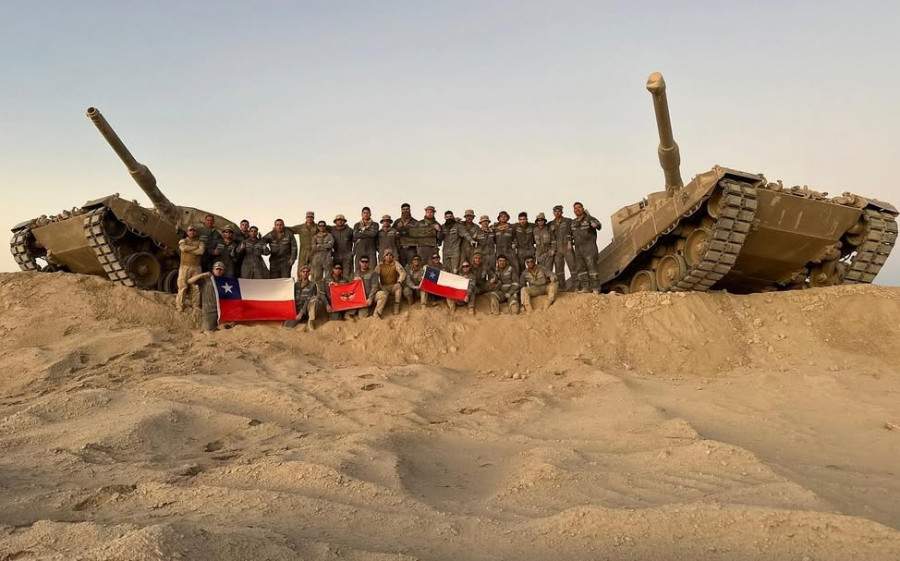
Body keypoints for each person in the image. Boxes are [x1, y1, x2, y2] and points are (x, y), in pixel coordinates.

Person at [571, 202, 603, 294]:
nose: (577, 209)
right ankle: (586, 288)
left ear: (582, 208)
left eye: (579, 207)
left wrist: (595, 225)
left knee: (592, 268)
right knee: (581, 269)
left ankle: (596, 288)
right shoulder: (573, 222)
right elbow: (570, 234)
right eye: (575, 208)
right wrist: (569, 242)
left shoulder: (589, 218)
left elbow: (599, 226)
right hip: (578, 249)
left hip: (589, 247)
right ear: (574, 210)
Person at [187, 261, 227, 331]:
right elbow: (190, 281)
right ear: (213, 270)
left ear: (224, 271)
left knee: (225, 328)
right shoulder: (205, 279)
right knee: (209, 330)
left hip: (222, 310)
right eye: (217, 269)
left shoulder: (226, 281)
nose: (218, 271)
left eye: (221, 269)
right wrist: (202, 274)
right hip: (209, 310)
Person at [284, 265, 323, 330]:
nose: (305, 273)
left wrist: (301, 313)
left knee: (314, 301)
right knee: (286, 325)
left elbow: (308, 300)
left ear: (309, 273)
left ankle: (310, 322)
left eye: (307, 272)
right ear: (300, 273)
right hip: (296, 309)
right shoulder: (296, 285)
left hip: (306, 310)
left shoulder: (312, 285)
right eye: (303, 271)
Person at [176, 226, 205, 311]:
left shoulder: (200, 243)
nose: (192, 232)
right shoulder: (183, 241)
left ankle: (196, 305)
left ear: (196, 232)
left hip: (196, 267)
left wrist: (189, 249)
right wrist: (195, 248)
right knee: (182, 286)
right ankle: (180, 306)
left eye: (194, 230)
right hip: (184, 266)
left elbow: (201, 251)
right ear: (187, 232)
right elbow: (183, 248)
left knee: (196, 287)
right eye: (190, 230)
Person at [549, 204, 577, 291]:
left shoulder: (568, 221)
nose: (557, 213)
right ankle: (561, 287)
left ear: (562, 212)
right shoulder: (550, 224)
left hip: (567, 246)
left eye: (559, 211)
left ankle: (577, 286)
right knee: (559, 269)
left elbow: (572, 231)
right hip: (557, 249)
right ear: (553, 213)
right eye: (555, 211)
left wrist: (570, 242)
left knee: (573, 266)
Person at [376, 249, 406, 315]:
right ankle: (378, 312)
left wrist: (399, 282)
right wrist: (379, 286)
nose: (389, 257)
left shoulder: (395, 263)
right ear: (384, 257)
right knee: (382, 295)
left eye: (390, 255)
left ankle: (396, 308)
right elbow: (374, 277)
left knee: (399, 288)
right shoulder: (380, 265)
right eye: (387, 255)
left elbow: (402, 273)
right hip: (384, 287)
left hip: (393, 286)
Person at [353, 206, 379, 272]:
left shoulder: (375, 224)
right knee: (358, 270)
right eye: (364, 213)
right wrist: (368, 233)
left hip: (371, 249)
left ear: (370, 214)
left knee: (372, 269)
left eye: (367, 213)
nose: (366, 214)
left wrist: (363, 231)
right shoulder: (357, 225)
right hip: (359, 249)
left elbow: (373, 234)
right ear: (361, 214)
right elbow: (356, 235)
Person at [310, 220, 335, 290]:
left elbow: (330, 245)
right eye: (320, 226)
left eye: (323, 226)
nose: (322, 227)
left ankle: (329, 293)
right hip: (317, 259)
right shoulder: (315, 237)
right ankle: (318, 293)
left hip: (327, 258)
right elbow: (314, 248)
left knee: (328, 277)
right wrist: (324, 246)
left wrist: (319, 246)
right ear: (318, 227)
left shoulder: (330, 235)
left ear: (325, 227)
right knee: (317, 277)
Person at [330, 214, 354, 278]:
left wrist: (352, 253)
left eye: (341, 220)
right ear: (335, 222)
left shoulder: (349, 230)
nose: (340, 221)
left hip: (347, 256)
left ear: (344, 221)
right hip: (336, 256)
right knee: (336, 275)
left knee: (347, 275)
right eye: (338, 220)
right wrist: (331, 253)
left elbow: (356, 241)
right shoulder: (332, 230)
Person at [493, 211, 516, 277]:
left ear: (507, 218)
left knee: (513, 266)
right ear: (499, 218)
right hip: (499, 251)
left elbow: (515, 238)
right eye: (501, 216)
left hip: (509, 250)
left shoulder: (511, 227)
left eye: (505, 216)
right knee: (499, 267)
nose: (503, 218)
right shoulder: (495, 228)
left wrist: (514, 244)